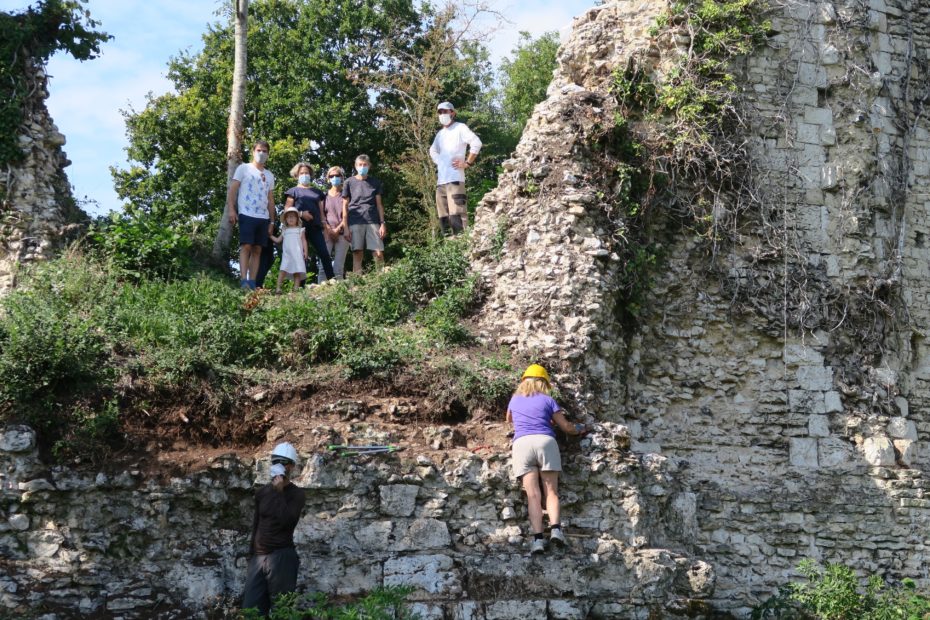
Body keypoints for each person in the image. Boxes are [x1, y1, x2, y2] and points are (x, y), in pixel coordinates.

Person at [506, 364, 585, 554]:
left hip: (522, 444)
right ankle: (556, 530)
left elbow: (509, 419)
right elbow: (566, 427)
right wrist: (580, 429)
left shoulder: (515, 400)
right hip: (545, 442)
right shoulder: (548, 400)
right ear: (544, 383)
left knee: (533, 495)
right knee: (551, 492)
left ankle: (538, 541)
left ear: (524, 381)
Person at [242, 442, 306, 616]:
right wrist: (251, 555)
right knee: (251, 610)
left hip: (281, 556)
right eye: (275, 461)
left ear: (291, 466)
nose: (279, 465)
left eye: (283, 462)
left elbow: (288, 522)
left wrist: (279, 493)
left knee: (282, 610)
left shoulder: (297, 494)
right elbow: (257, 523)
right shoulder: (262, 493)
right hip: (259, 557)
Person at [227, 141, 276, 290]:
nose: (262, 153)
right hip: (246, 213)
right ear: (253, 151)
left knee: (258, 249)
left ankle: (252, 282)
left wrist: (272, 222)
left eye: (265, 151)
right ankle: (243, 281)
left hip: (263, 217)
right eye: (259, 150)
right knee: (246, 246)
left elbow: (270, 199)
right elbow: (233, 190)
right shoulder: (244, 168)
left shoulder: (269, 175)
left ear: (268, 154)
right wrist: (231, 209)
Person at [428, 101, 482, 236]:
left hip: (455, 180)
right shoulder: (440, 134)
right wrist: (439, 161)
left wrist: (467, 163)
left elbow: (476, 143)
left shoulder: (460, 128)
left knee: (457, 215)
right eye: (440, 112)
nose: (442, 114)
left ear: (452, 113)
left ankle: (462, 248)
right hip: (441, 182)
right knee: (444, 218)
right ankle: (450, 251)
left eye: (445, 111)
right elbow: (432, 150)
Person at [283, 163, 334, 284]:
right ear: (296, 175)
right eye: (302, 173)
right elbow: (286, 210)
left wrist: (325, 226)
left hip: (315, 227)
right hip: (299, 228)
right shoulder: (293, 191)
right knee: (301, 256)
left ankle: (333, 281)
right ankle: (300, 287)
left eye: (306, 173)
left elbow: (322, 212)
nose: (304, 175)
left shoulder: (317, 192)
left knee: (324, 253)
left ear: (310, 175)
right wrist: (301, 214)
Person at [342, 154, 386, 274]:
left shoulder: (375, 182)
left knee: (378, 252)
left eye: (365, 164)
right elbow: (345, 206)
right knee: (357, 252)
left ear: (369, 166)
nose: (362, 167)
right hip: (355, 220)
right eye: (360, 164)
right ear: (356, 166)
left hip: (373, 220)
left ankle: (382, 279)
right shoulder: (349, 182)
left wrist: (382, 223)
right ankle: (357, 283)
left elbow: (379, 204)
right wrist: (345, 227)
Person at [319, 165, 350, 281]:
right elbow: (321, 215)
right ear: (328, 178)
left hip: (343, 233)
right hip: (326, 233)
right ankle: (319, 292)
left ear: (342, 177)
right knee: (323, 266)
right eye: (332, 176)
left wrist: (338, 229)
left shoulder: (346, 195)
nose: (335, 178)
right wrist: (328, 229)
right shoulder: (323, 196)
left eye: (337, 175)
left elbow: (347, 214)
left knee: (338, 267)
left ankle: (339, 294)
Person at [269, 207, 308, 294]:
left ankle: (296, 290)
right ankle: (278, 288)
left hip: (297, 254)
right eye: (289, 217)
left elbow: (304, 241)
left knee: (297, 272)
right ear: (286, 219)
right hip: (287, 255)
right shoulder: (285, 230)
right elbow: (278, 240)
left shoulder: (300, 230)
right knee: (283, 270)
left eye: (293, 217)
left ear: (297, 219)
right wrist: (270, 236)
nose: (291, 218)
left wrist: (305, 252)